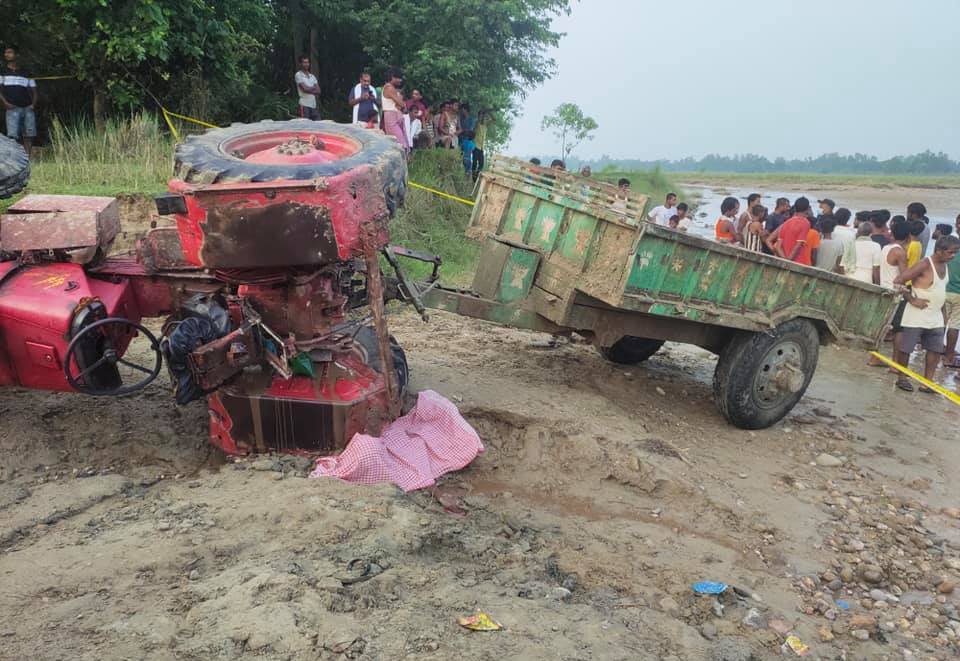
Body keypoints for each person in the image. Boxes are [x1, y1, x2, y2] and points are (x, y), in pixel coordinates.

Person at [892, 235, 960, 391]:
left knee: (935, 350)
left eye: (955, 252)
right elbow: (898, 281)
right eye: (951, 252)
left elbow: (940, 290)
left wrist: (943, 316)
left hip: (935, 316)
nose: (953, 256)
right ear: (940, 251)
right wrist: (911, 299)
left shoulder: (945, 265)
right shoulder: (924, 265)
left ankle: (927, 382)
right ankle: (902, 378)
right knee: (906, 348)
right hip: (916, 315)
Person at [1, 46, 38, 154]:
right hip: (12, 108)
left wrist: (33, 105)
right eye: (5, 53)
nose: (6, 54)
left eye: (10, 52)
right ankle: (16, 160)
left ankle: (27, 159)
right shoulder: (2, 71)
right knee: (13, 136)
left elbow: (34, 91)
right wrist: (5, 103)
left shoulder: (26, 72)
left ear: (16, 55)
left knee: (29, 134)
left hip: (27, 108)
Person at [766, 197, 814, 264]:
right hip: (799, 262)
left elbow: (778, 247)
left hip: (785, 261)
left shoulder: (786, 223)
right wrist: (789, 261)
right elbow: (798, 245)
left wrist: (785, 260)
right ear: (807, 209)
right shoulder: (805, 223)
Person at [380, 67, 409, 153]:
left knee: (402, 143)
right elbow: (402, 104)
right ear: (392, 77)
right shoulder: (389, 88)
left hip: (396, 116)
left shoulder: (392, 88)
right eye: (399, 78)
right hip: (391, 118)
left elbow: (401, 105)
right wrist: (401, 104)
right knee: (399, 144)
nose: (400, 80)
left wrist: (401, 105)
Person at [944, 231, 960, 367]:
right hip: (959, 294)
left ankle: (935, 351)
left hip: (945, 290)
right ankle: (948, 357)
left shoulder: (949, 250)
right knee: (954, 326)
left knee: (941, 323)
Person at [294, 56, 321, 120]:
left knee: (318, 124)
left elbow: (319, 91)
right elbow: (304, 89)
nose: (306, 64)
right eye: (304, 62)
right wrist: (313, 87)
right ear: (300, 64)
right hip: (304, 105)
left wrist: (308, 89)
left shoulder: (312, 76)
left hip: (313, 105)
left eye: (307, 62)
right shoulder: (298, 75)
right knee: (305, 126)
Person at [832, 207, 857, 275]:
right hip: (844, 269)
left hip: (829, 266)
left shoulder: (830, 230)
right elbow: (853, 255)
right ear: (848, 219)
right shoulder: (852, 234)